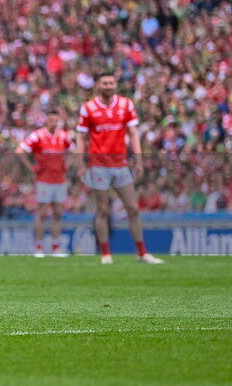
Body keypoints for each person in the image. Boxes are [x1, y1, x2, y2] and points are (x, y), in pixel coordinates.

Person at [74, 72, 164, 264]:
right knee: (102, 210)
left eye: (111, 83)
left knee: (133, 208)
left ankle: (141, 253)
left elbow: (133, 132)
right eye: (105, 83)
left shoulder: (125, 104)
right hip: (99, 165)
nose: (108, 86)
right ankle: (106, 254)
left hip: (121, 164)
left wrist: (138, 159)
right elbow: (81, 137)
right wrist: (80, 162)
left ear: (116, 85)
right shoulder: (88, 108)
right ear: (97, 85)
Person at [18, 108, 72, 257]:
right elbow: (20, 150)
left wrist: (68, 164)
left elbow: (74, 150)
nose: (53, 123)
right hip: (44, 180)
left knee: (57, 214)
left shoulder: (63, 135)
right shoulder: (38, 135)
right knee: (41, 214)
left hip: (60, 180)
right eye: (50, 120)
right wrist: (30, 167)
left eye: (55, 120)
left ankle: (55, 248)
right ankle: (39, 247)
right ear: (46, 120)